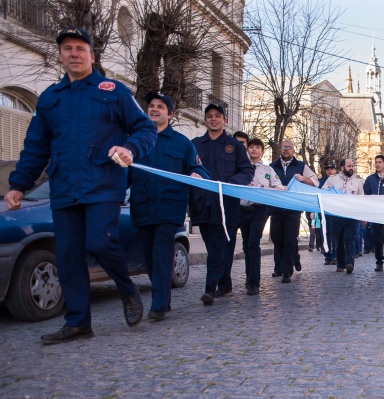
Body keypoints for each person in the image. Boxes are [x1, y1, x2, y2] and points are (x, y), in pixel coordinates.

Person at [6, 27, 157, 343]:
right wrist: (18, 185)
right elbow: (36, 147)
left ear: (91, 54)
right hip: (64, 187)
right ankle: (78, 322)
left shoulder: (112, 91)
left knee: (101, 243)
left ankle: (127, 289)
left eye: (79, 48)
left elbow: (145, 129)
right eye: (67, 49)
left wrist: (129, 148)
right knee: (68, 255)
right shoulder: (50, 99)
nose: (73, 53)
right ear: (61, 55)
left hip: (103, 182)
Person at [129, 92, 208, 320]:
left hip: (169, 208)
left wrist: (196, 173)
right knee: (150, 257)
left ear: (170, 114)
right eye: (151, 105)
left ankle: (159, 305)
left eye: (160, 107)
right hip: (142, 207)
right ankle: (163, 298)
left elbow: (199, 169)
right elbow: (124, 174)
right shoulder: (136, 141)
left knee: (162, 254)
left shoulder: (181, 143)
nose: (154, 109)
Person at [191, 103, 254, 304]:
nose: (213, 119)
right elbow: (186, 169)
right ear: (205, 120)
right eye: (209, 116)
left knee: (218, 247)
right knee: (213, 247)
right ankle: (224, 282)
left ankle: (210, 288)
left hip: (225, 205)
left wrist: (229, 184)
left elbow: (247, 171)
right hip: (202, 204)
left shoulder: (234, 146)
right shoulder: (195, 145)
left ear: (224, 120)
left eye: (217, 116)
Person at [269, 140, 319, 283]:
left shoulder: (301, 166)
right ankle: (294, 257)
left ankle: (286, 271)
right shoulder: (272, 167)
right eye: (284, 147)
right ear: (280, 149)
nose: (286, 150)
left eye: (289, 148)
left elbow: (315, 182)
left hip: (293, 208)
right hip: (277, 207)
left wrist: (303, 179)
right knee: (277, 238)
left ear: (293, 150)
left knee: (290, 239)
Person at [241, 138, 281, 295]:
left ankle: (254, 282)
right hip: (243, 208)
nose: (254, 150)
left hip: (260, 209)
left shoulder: (267, 170)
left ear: (262, 151)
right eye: (251, 147)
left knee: (253, 243)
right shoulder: (241, 167)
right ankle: (248, 276)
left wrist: (268, 191)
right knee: (246, 244)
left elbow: (278, 187)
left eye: (257, 147)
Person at [322, 158, 364, 273]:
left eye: (352, 166)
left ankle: (350, 263)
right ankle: (340, 264)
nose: (351, 168)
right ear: (342, 168)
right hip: (337, 215)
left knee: (349, 239)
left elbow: (362, 200)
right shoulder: (332, 180)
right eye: (349, 166)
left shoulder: (357, 182)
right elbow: (323, 193)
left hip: (351, 216)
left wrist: (362, 217)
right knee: (339, 241)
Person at [319, 162, 338, 265]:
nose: (329, 171)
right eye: (327, 169)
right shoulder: (321, 182)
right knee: (325, 234)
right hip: (324, 212)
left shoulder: (338, 181)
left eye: (331, 169)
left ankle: (335, 255)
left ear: (335, 170)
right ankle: (328, 255)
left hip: (334, 211)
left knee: (335, 234)